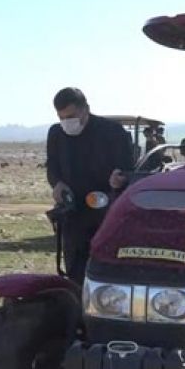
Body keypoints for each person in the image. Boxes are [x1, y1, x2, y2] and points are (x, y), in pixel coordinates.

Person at [46, 87, 134, 284]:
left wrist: (119, 179)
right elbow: (52, 165)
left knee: (105, 270)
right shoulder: (56, 133)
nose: (68, 122)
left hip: (106, 212)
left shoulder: (112, 132)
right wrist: (57, 183)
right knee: (75, 271)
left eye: (72, 116)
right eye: (62, 117)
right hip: (73, 214)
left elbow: (127, 168)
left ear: (85, 109)